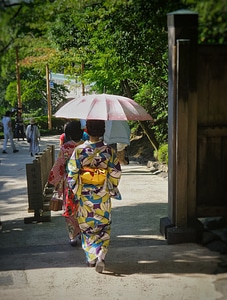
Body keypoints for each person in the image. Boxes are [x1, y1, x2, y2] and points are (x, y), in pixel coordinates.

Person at [67, 119, 122, 273]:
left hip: (85, 197)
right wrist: (109, 187)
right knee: (103, 226)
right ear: (103, 131)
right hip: (102, 196)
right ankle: (101, 253)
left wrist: (78, 190)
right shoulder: (109, 152)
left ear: (87, 130)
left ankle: (91, 258)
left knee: (87, 227)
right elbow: (116, 172)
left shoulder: (79, 151)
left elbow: (72, 175)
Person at [48, 121, 84, 246]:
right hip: (86, 181)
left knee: (70, 208)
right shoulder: (86, 146)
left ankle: (73, 235)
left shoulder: (65, 148)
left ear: (67, 134)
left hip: (70, 181)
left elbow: (59, 166)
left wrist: (55, 181)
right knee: (84, 208)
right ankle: (84, 232)